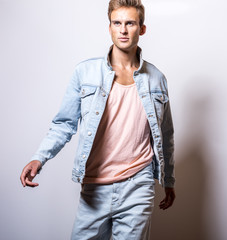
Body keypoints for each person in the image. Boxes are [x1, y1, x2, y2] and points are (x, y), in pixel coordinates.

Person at [20, 0, 175, 239]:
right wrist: (39, 158)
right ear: (110, 27)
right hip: (94, 185)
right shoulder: (85, 73)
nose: (123, 30)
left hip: (138, 184)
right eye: (117, 23)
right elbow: (64, 124)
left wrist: (169, 179)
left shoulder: (156, 78)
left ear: (142, 29)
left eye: (130, 23)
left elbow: (165, 134)